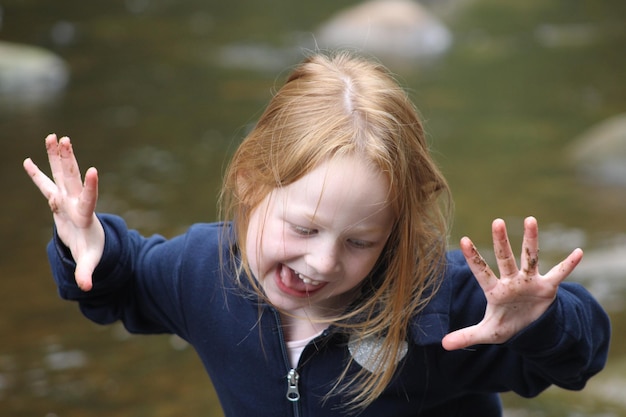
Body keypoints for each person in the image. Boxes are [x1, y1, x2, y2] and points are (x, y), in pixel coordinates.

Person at [23, 52, 610, 416]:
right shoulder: (204, 270)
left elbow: (577, 362)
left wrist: (538, 323)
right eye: (304, 228)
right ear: (252, 183)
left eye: (360, 242)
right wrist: (90, 248)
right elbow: (121, 287)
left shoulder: (439, 305)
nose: (324, 262)